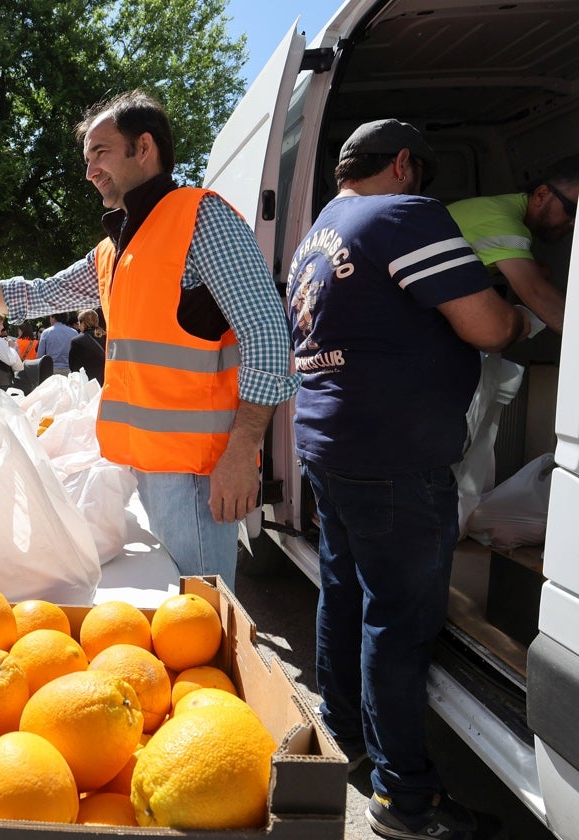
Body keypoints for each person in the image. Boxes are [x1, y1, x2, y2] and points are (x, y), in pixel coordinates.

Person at [0, 89, 298, 589]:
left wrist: (243, 451)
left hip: (199, 471)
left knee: (202, 621)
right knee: (179, 617)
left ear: (144, 147)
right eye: (87, 160)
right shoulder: (115, 248)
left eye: (100, 153)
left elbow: (268, 335)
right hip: (145, 467)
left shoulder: (203, 218)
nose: (90, 172)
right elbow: (37, 295)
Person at [287, 118, 531, 840]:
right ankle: (405, 800)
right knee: (398, 620)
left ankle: (346, 740)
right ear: (403, 165)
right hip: (393, 457)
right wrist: (517, 319)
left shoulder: (318, 231)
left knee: (345, 591)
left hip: (331, 445)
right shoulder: (406, 214)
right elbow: (487, 328)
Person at [448, 155, 578, 335]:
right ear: (541, 194)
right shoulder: (503, 223)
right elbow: (538, 294)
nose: (573, 224)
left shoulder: (499, 211)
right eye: (572, 211)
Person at [69, 308, 107, 384]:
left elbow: (73, 367)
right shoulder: (107, 337)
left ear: (83, 323)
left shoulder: (76, 341)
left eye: (79, 323)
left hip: (87, 383)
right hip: (105, 380)